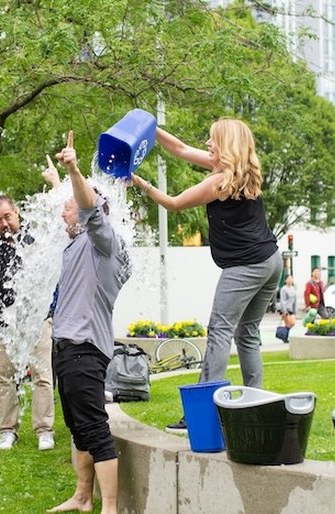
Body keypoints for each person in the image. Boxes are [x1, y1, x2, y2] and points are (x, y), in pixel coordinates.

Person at [132, 118, 282, 431]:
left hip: (246, 266)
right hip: (271, 262)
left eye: (212, 139)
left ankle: (200, 414)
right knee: (248, 334)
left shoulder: (221, 181)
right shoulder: (241, 171)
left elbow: (174, 204)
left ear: (226, 145)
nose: (207, 144)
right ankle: (257, 403)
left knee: (219, 333)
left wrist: (139, 182)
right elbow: (181, 149)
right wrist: (150, 127)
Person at [47, 131, 131, 514]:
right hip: (68, 347)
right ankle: (83, 496)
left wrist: (75, 169)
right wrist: (58, 181)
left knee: (94, 428)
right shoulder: (82, 244)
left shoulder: (102, 241)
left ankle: (109, 507)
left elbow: (89, 207)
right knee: (78, 427)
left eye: (68, 207)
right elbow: (78, 204)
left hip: (84, 349)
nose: (64, 212)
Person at [0, 195, 56, 451]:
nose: (4, 223)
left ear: (17, 213)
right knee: (5, 378)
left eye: (7, 216)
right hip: (4, 322)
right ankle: (7, 431)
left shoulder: (34, 235)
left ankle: (44, 430)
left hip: (35, 318)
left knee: (42, 376)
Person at [279, 274, 296, 343]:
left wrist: (295, 310)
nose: (290, 280)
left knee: (292, 323)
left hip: (291, 309)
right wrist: (284, 310)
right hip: (286, 309)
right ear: (285, 280)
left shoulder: (293, 288)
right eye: (288, 279)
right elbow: (282, 300)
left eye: (291, 278)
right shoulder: (283, 289)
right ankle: (285, 337)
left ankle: (284, 335)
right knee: (288, 323)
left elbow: (295, 300)